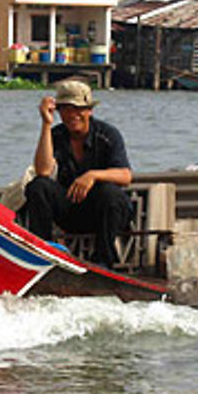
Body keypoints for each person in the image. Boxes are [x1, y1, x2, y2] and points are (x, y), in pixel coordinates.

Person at [23, 79, 133, 268]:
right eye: (66, 109)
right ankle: (43, 255)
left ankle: (103, 261)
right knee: (38, 186)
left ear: (89, 110)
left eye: (79, 109)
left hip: (103, 212)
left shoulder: (107, 135)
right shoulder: (56, 135)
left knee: (110, 193)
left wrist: (93, 175)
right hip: (71, 209)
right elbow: (43, 170)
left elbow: (125, 176)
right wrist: (46, 124)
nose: (73, 115)